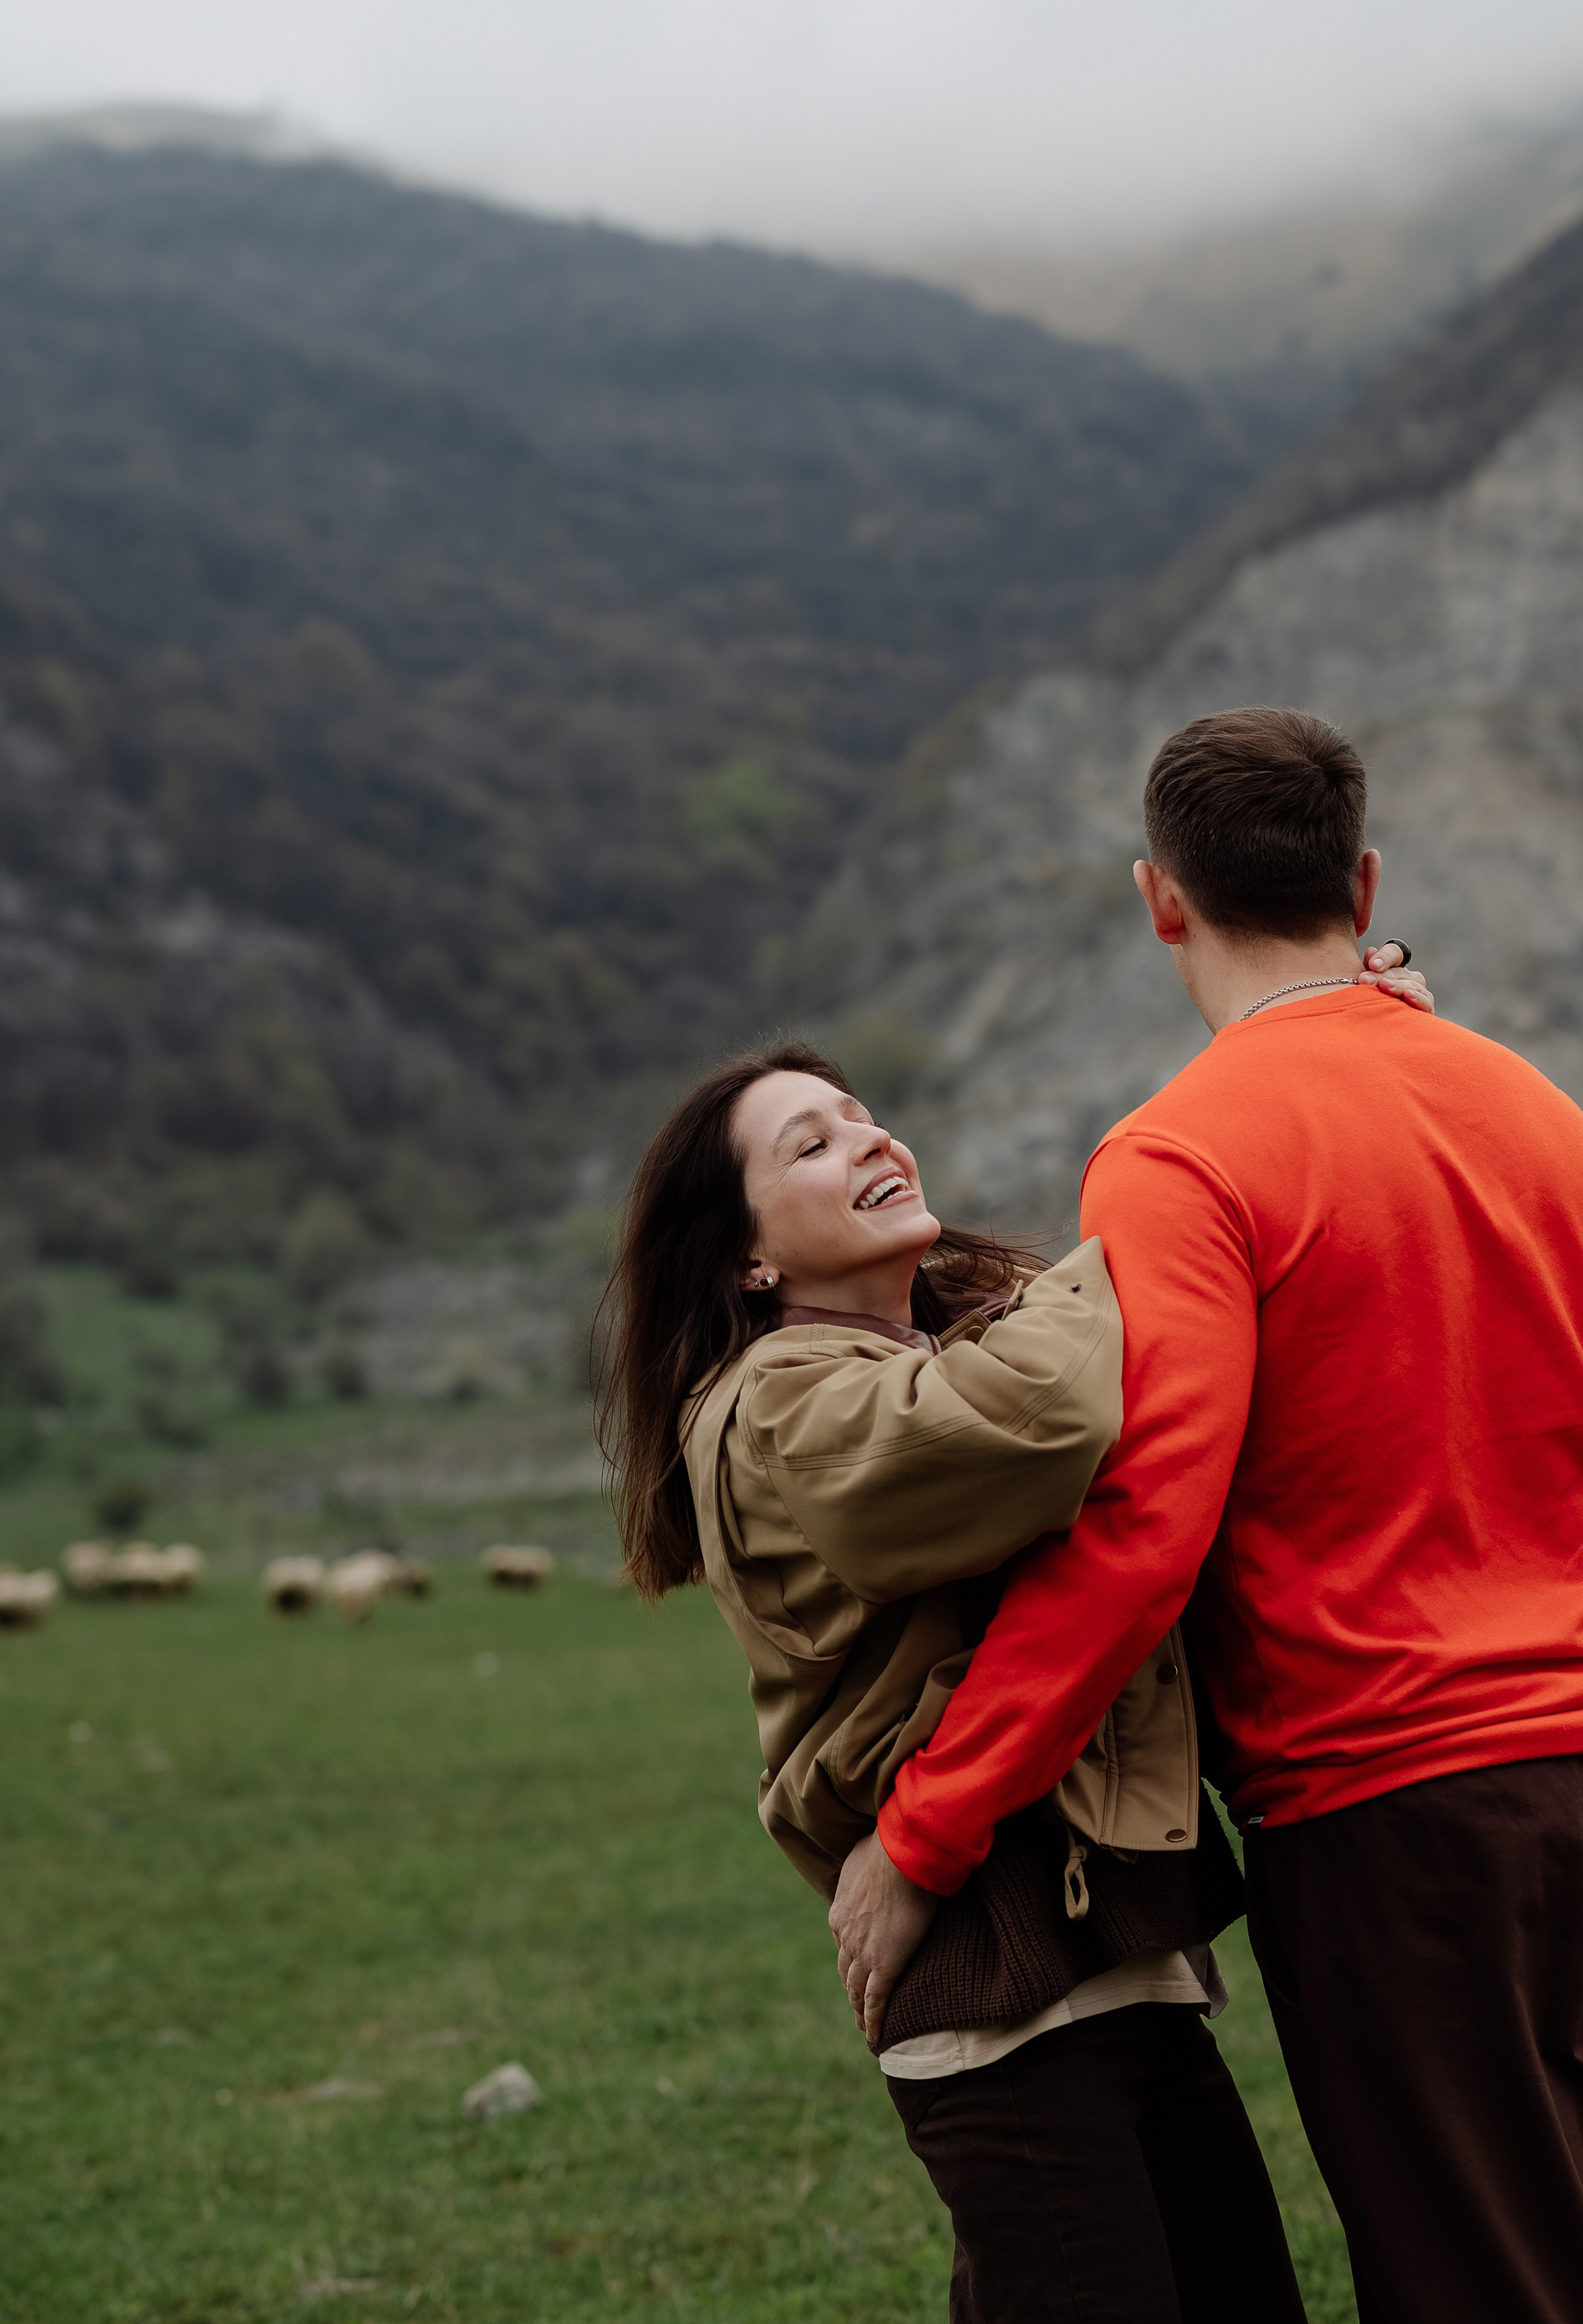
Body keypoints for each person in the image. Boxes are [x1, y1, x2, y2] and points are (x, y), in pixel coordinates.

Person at [830, 706, 1583, 2324]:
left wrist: (931, 1821)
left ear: (1157, 898)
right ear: (1362, 876)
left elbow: (1140, 1533)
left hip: (1399, 1818)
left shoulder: (1178, 1157)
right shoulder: (1540, 1114)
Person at [599, 988, 1439, 2322]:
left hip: (1112, 1948)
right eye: (808, 1145)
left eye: (863, 1115)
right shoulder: (773, 1407)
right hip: (996, 1984)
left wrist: (1335, 1036)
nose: (870, 1141)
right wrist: (1156, 1239)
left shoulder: (960, 1341)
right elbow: (1040, 1417)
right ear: (744, 1263)